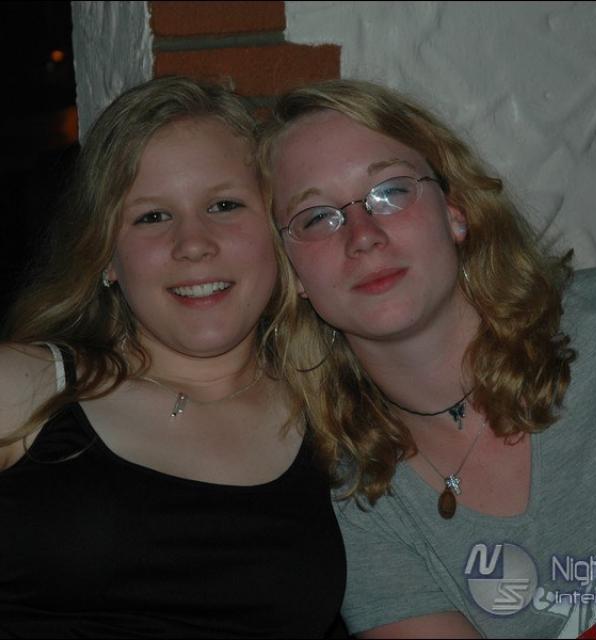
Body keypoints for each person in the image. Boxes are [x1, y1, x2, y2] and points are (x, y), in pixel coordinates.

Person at [257, 78, 596, 638]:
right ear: (293, 276)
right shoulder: (358, 500)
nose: (362, 236)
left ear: (455, 212)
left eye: (390, 191)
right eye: (317, 217)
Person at [0, 76, 346, 638]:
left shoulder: (339, 421)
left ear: (277, 233)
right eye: (152, 217)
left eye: (224, 205)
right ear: (106, 257)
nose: (193, 244)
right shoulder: (23, 388)